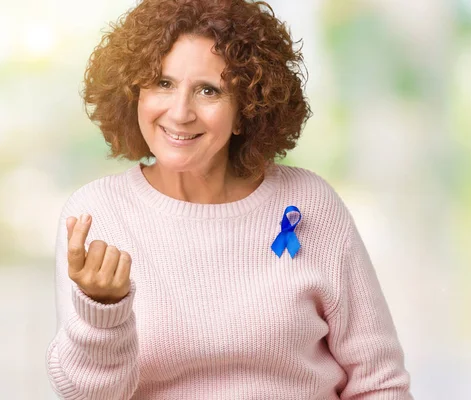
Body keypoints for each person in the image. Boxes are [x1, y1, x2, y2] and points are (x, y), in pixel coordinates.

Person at [45, 0, 414, 399]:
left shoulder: (310, 204)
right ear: (134, 93)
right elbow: (86, 395)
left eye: (209, 90)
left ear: (246, 109)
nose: (180, 112)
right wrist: (102, 313)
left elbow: (380, 383)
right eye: (163, 84)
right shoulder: (99, 216)